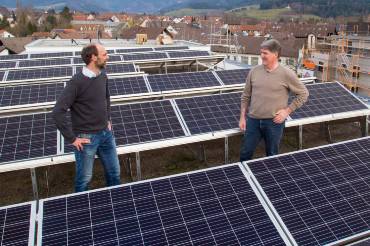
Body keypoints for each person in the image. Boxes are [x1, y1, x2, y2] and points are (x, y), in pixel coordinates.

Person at [52, 43, 121, 192]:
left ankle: (115, 206)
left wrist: (108, 119)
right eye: (104, 54)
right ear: (93, 57)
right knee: (84, 179)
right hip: (86, 138)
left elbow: (106, 98)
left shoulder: (103, 76)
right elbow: (58, 111)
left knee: (114, 173)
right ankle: (81, 210)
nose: (107, 57)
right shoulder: (76, 82)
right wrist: (72, 138)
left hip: (106, 135)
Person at [239, 39, 309, 162]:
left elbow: (304, 94)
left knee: (272, 155)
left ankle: (270, 180)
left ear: (275, 54)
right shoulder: (254, 71)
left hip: (274, 123)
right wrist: (242, 117)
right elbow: (246, 96)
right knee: (245, 153)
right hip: (253, 121)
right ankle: (243, 179)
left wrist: (287, 111)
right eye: (261, 53)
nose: (262, 56)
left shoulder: (287, 73)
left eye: (265, 53)